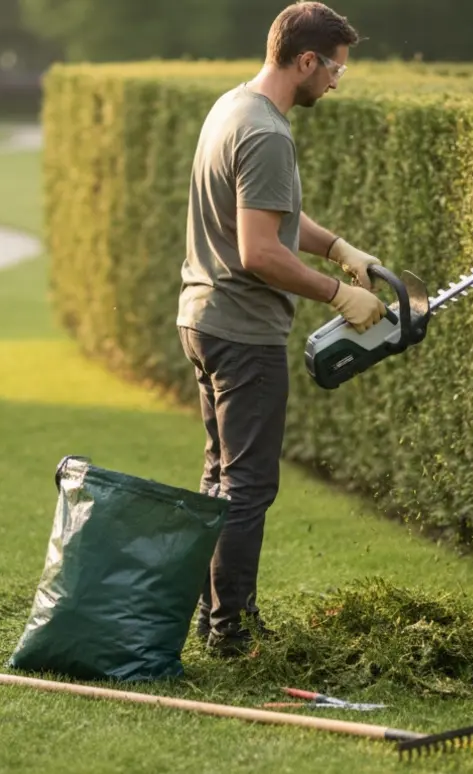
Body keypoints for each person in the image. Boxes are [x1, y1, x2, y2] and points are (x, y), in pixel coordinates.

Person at [176, 1, 387, 656]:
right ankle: (228, 634)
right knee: (248, 487)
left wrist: (339, 249)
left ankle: (221, 615)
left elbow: (276, 217)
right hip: (243, 332)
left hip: (205, 318)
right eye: (334, 70)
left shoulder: (234, 107)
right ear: (305, 61)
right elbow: (259, 251)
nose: (334, 82)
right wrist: (338, 295)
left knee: (221, 479)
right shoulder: (267, 132)